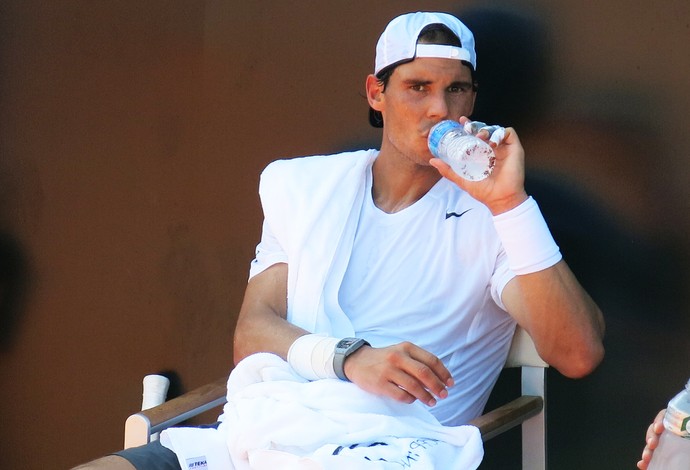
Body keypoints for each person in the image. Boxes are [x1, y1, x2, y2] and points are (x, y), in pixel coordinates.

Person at [74, 11, 605, 469]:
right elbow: (252, 333)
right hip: (262, 434)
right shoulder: (307, 189)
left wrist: (511, 205)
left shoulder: (494, 215)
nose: (439, 109)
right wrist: (348, 360)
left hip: (388, 448)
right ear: (376, 92)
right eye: (417, 87)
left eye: (455, 89)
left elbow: (578, 353)